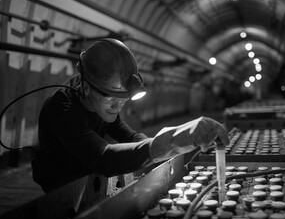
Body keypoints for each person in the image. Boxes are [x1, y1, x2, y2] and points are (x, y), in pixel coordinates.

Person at [31, 38, 229, 193]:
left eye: (124, 98)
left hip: (87, 168)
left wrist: (154, 150)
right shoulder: (64, 109)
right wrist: (170, 141)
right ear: (85, 88)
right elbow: (104, 158)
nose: (119, 105)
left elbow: (124, 133)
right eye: (112, 98)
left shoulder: (99, 95)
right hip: (61, 178)